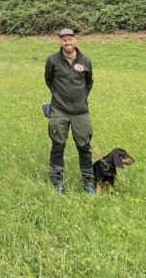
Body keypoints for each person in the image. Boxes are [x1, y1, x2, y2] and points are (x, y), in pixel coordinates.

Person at [44, 28, 95, 194]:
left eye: (70, 39)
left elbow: (89, 83)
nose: (68, 43)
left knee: (85, 148)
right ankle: (57, 182)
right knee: (58, 147)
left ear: (76, 40)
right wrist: (60, 97)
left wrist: (79, 98)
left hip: (81, 112)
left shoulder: (86, 61)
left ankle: (88, 183)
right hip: (59, 111)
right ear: (60, 41)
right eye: (64, 40)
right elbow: (49, 80)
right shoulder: (52, 60)